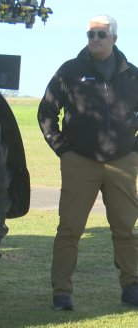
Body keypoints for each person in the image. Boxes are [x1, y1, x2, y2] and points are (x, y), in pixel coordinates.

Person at [38, 14, 138, 311]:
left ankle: (132, 286)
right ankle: (62, 293)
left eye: (101, 34)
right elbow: (46, 112)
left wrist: (134, 150)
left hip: (122, 163)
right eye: (91, 34)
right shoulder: (70, 71)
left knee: (125, 228)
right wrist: (62, 149)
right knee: (69, 229)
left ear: (114, 39)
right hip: (79, 162)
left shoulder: (132, 75)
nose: (94, 39)